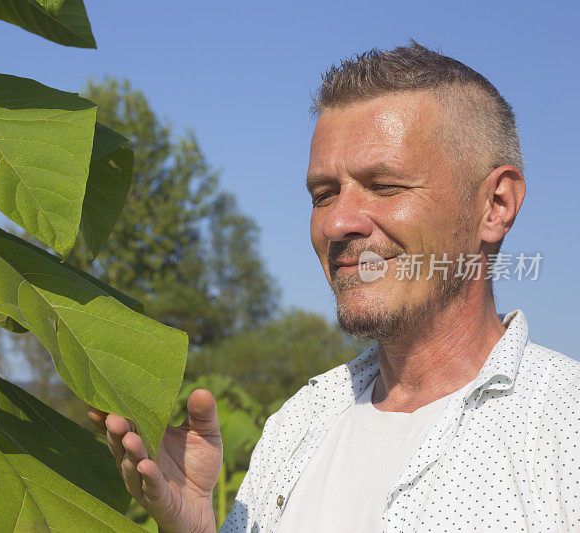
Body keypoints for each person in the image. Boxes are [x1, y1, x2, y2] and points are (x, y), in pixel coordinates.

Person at [88, 41, 580, 532]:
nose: (337, 223)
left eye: (385, 186)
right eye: (323, 194)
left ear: (495, 204)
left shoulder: (565, 427)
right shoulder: (298, 425)